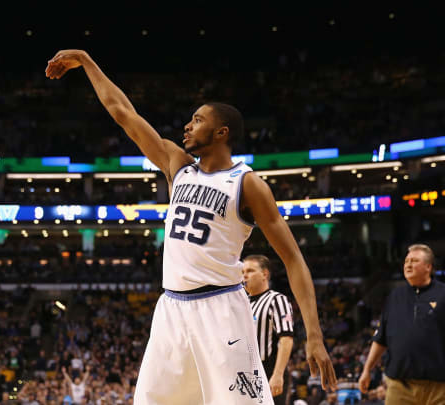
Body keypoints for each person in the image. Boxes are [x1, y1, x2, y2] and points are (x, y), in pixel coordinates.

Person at [46, 49, 337, 404]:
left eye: (197, 120)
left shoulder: (247, 184)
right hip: (171, 308)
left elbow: (293, 260)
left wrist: (315, 335)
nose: (187, 125)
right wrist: (86, 61)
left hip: (221, 310)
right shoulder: (177, 165)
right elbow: (124, 113)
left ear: (221, 133)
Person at [357, 243, 445, 404]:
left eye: (414, 261)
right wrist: (367, 370)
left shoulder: (443, 294)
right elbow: (380, 338)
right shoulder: (394, 296)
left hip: (439, 388)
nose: (408, 264)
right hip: (399, 386)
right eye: (406, 261)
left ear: (428, 266)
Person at [243, 255, 295, 404]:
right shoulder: (242, 303)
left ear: (265, 274)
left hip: (268, 370)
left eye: (250, 271)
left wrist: (278, 374)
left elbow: (286, 339)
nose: (245, 275)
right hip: (244, 372)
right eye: (242, 272)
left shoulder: (277, 300)